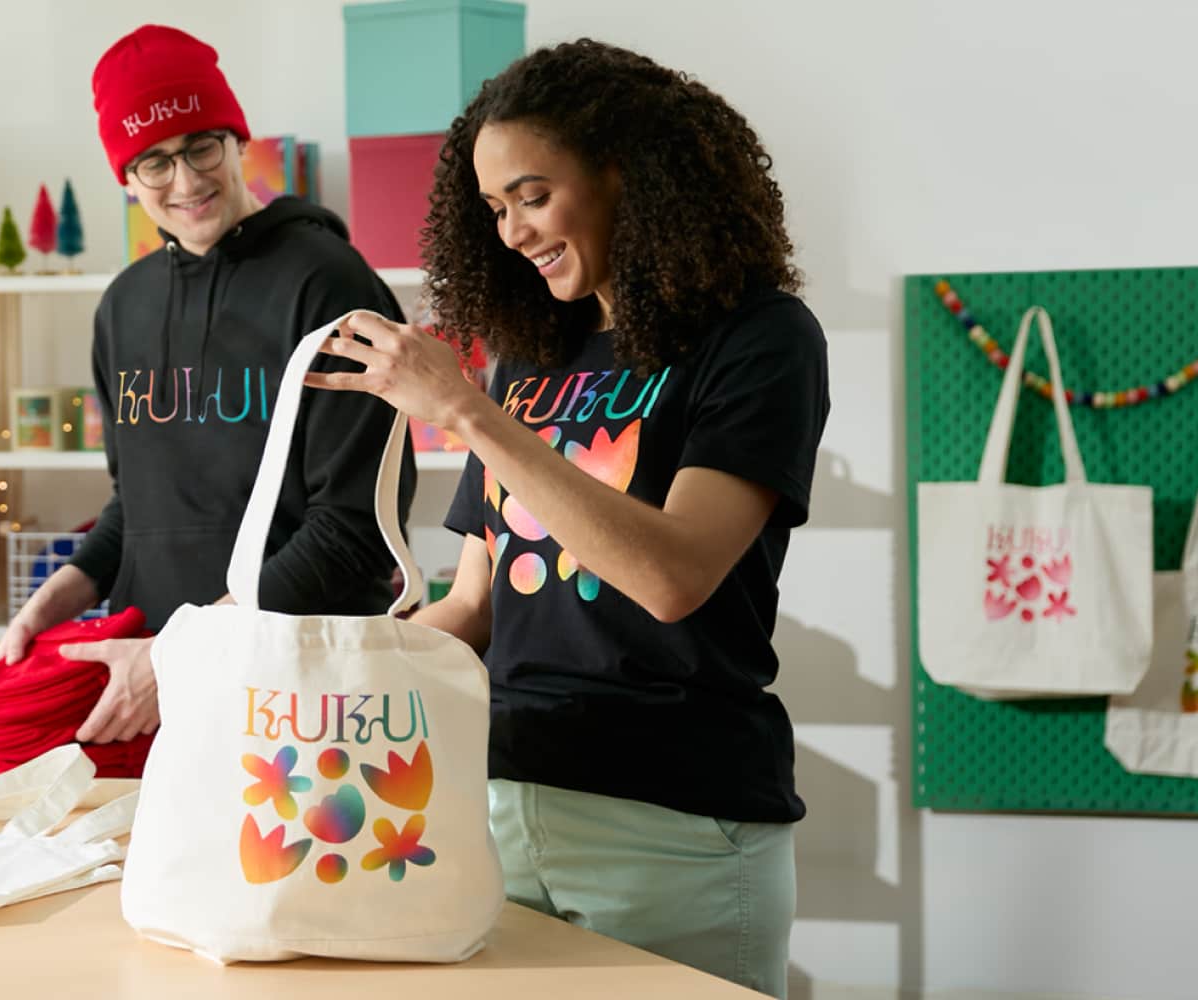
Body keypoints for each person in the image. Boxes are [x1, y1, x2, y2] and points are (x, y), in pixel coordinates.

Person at [305, 40, 828, 998]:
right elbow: (474, 608)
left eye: (532, 196)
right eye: (494, 208)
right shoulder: (531, 359)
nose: (511, 232)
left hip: (674, 826)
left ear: (624, 169)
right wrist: (320, 667)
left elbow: (674, 577)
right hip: (503, 804)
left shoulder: (759, 338)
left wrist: (466, 412)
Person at [0, 25, 415, 749]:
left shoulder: (329, 285)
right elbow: (139, 505)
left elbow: (355, 530)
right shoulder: (123, 307)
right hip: (155, 696)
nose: (186, 182)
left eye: (201, 148)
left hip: (301, 693)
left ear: (237, 141)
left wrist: (187, 654)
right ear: (126, 179)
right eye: (154, 162)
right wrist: (57, 597)